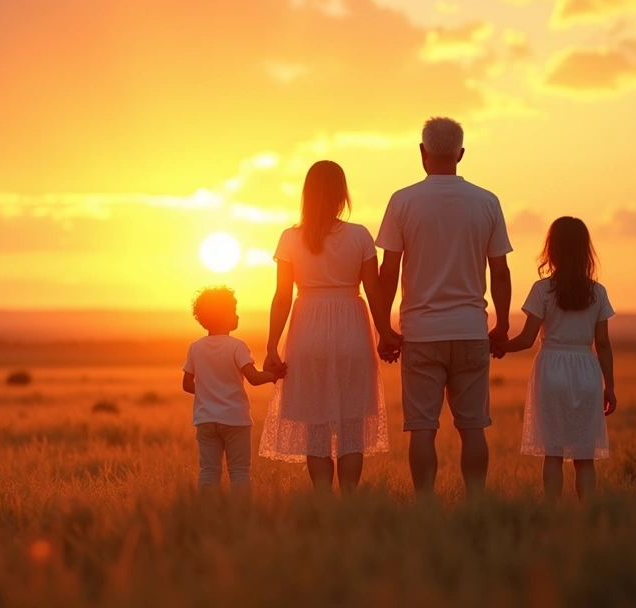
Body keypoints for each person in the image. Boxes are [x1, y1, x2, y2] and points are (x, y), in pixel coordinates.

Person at [376, 116, 513, 499]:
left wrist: (384, 329)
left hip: (420, 334)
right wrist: (501, 325)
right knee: (473, 428)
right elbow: (499, 271)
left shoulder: (402, 201)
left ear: (422, 153)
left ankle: (424, 507)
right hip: (471, 330)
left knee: (422, 428)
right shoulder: (487, 202)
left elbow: (388, 271)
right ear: (461, 154)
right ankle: (475, 504)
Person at [260, 160, 399, 492]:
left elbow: (281, 297)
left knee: (316, 428)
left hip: (307, 331)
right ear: (341, 194)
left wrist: (270, 347)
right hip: (353, 330)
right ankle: (348, 502)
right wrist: (385, 334)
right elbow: (375, 292)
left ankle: (323, 501)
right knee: (351, 428)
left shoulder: (290, 237)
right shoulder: (360, 235)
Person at [494, 217, 616, 501]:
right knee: (584, 455)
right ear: (586, 251)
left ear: (552, 250)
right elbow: (604, 344)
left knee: (553, 452)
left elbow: (526, 340)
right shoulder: (598, 292)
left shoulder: (542, 290)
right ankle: (587, 513)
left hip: (551, 370)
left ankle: (552, 512)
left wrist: (499, 347)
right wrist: (608, 386)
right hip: (587, 371)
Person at [182, 285, 281, 491]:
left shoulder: (195, 347)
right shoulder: (237, 346)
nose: (237, 316)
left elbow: (187, 384)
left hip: (205, 420)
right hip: (235, 420)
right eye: (234, 311)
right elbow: (253, 378)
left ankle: (205, 511)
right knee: (239, 471)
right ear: (224, 316)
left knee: (209, 470)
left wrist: (208, 391)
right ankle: (240, 512)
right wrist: (274, 376)